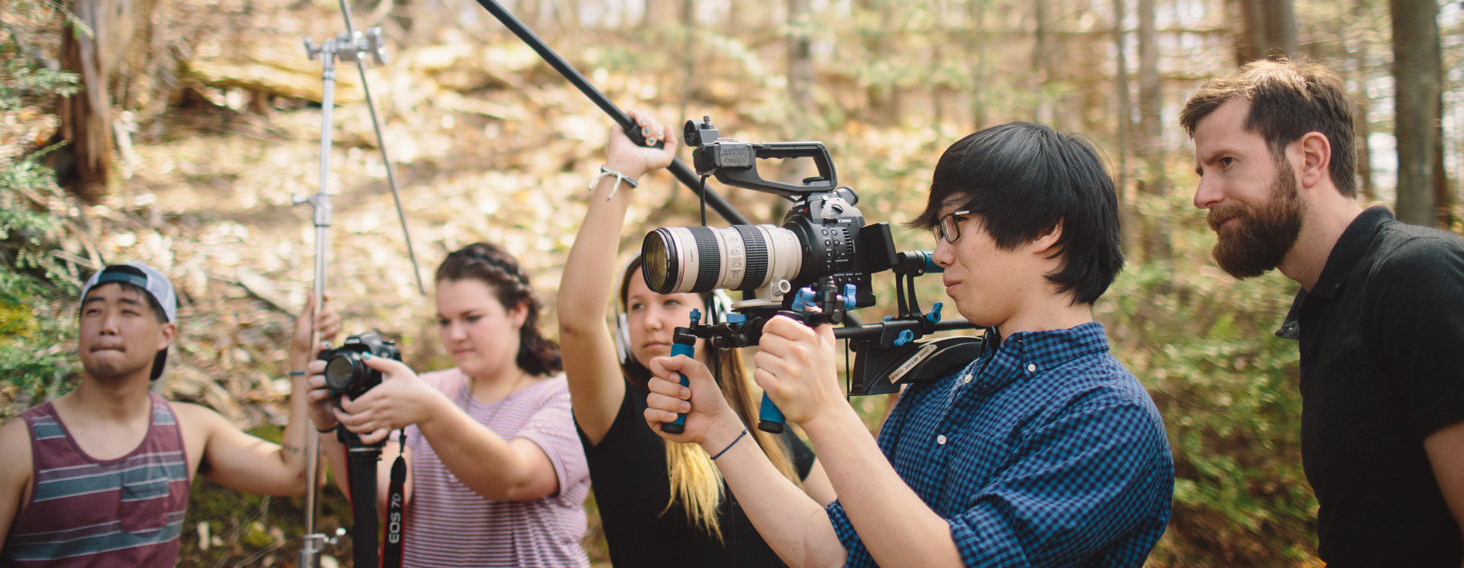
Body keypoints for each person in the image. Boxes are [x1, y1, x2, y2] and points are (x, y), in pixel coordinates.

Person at [644, 122, 1175, 566]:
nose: (941, 253)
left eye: (954, 226)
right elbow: (825, 550)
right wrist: (717, 427)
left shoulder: (1107, 416)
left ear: (1045, 231)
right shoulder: (943, 378)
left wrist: (827, 412)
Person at [1181, 58, 1464, 566]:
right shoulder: (1326, 303)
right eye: (1202, 170)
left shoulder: (1415, 275)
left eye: (1226, 162)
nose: (1203, 194)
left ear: (1310, 158)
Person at [558, 111, 836, 567]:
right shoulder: (620, 412)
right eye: (635, 306)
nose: (649, 320)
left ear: (714, 313)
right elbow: (577, 322)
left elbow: (850, 519)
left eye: (669, 302)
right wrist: (623, 172)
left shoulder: (770, 428)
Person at [0, 261, 331, 567]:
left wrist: (301, 362)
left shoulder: (190, 429)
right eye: (93, 311)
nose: (107, 324)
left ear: (165, 335)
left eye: (128, 310)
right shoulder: (16, 449)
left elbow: (296, 475)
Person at [305, 242, 590, 567]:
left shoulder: (566, 397)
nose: (455, 335)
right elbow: (383, 499)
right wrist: (332, 426)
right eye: (444, 321)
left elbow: (515, 479)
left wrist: (429, 410)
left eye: (471, 318)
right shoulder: (428, 387)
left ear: (518, 312)